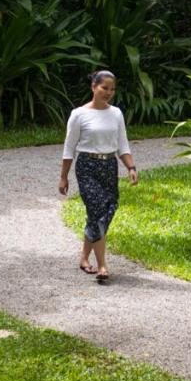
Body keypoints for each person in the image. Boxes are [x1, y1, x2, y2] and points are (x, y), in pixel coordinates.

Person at [58, 70, 138, 284]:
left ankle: (84, 257)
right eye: (104, 88)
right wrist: (64, 177)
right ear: (93, 87)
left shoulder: (117, 114)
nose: (109, 92)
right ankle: (102, 264)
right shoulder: (78, 114)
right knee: (96, 210)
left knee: (105, 210)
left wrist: (131, 167)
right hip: (87, 167)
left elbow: (123, 144)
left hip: (109, 166)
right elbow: (69, 149)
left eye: (112, 89)